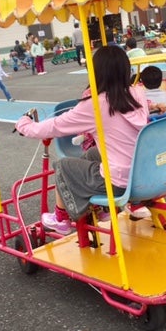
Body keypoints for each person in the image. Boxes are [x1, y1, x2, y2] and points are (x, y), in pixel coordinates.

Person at [15, 45, 149, 235]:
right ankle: (102, 209)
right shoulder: (138, 93)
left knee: (62, 165)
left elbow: (56, 126)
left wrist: (24, 124)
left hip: (118, 183)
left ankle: (61, 218)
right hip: (142, 173)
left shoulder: (96, 104)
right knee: (93, 154)